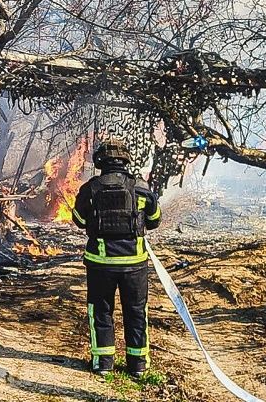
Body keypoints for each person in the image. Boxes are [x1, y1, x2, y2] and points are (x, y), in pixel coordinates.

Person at [72, 138, 161, 377]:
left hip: (100, 264)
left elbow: (79, 221)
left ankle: (103, 363)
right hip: (134, 264)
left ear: (100, 161)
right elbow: (154, 221)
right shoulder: (140, 188)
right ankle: (138, 365)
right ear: (125, 160)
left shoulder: (90, 189)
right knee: (136, 311)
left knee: (101, 311)